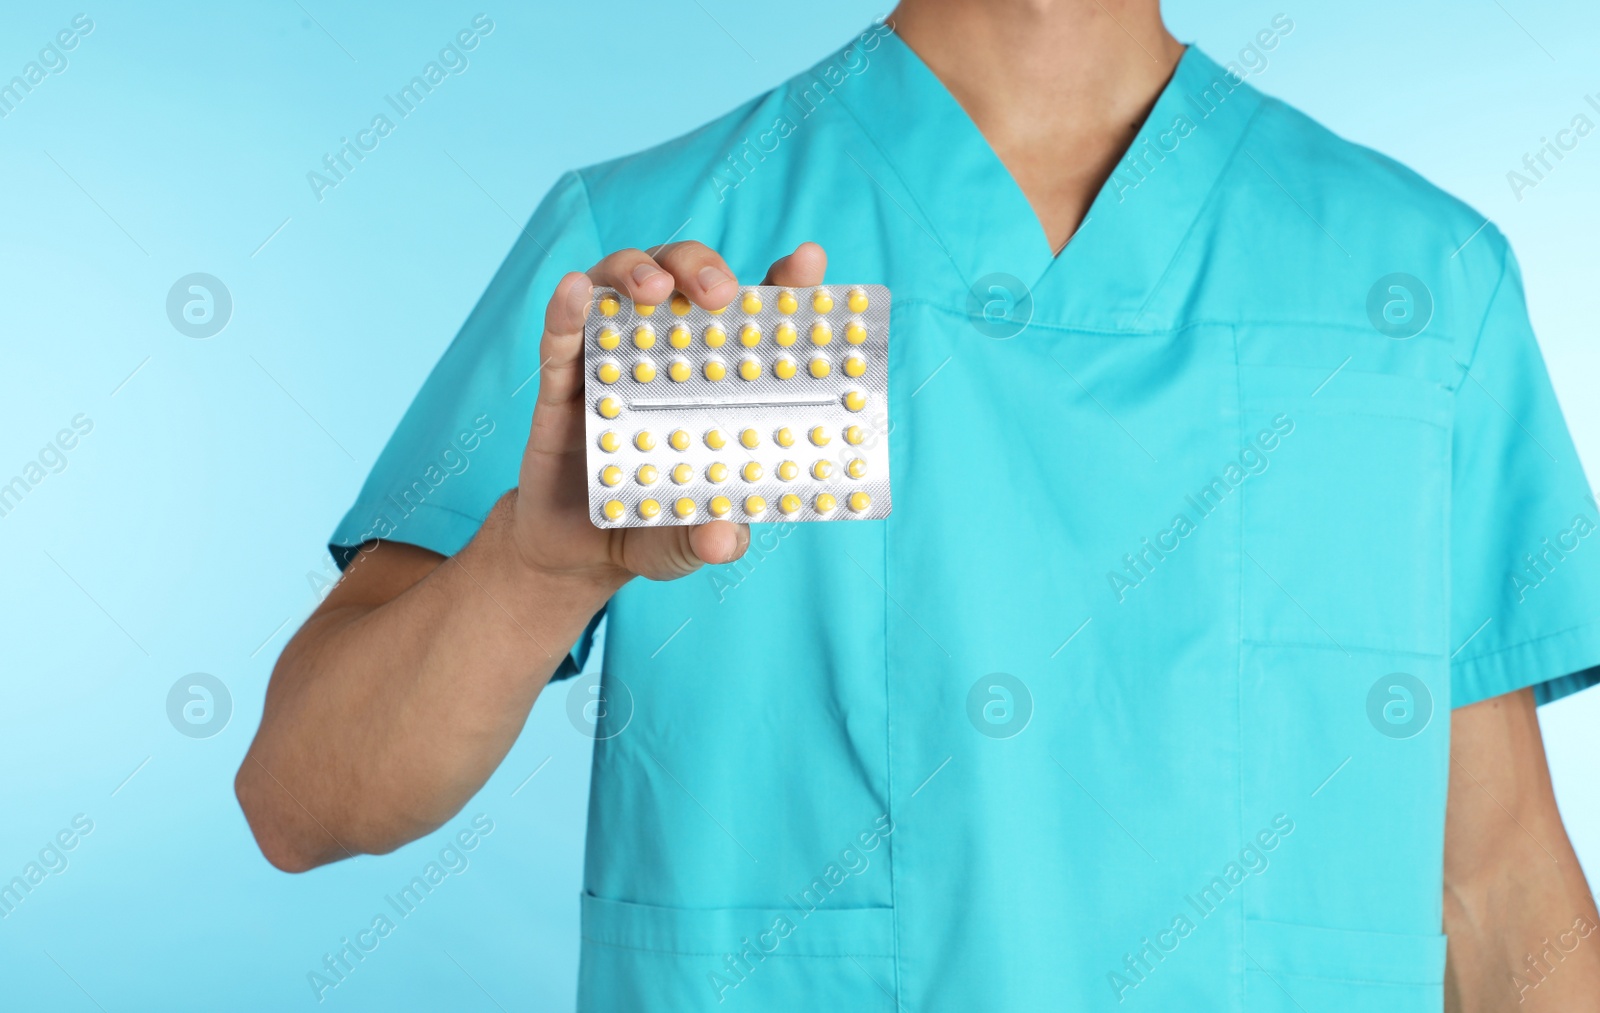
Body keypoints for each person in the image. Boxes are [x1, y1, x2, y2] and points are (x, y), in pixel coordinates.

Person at [236, 1, 1600, 1009]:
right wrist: (537, 570)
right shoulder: (657, 267)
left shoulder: (1417, 289)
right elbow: (300, 798)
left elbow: (1495, 888)